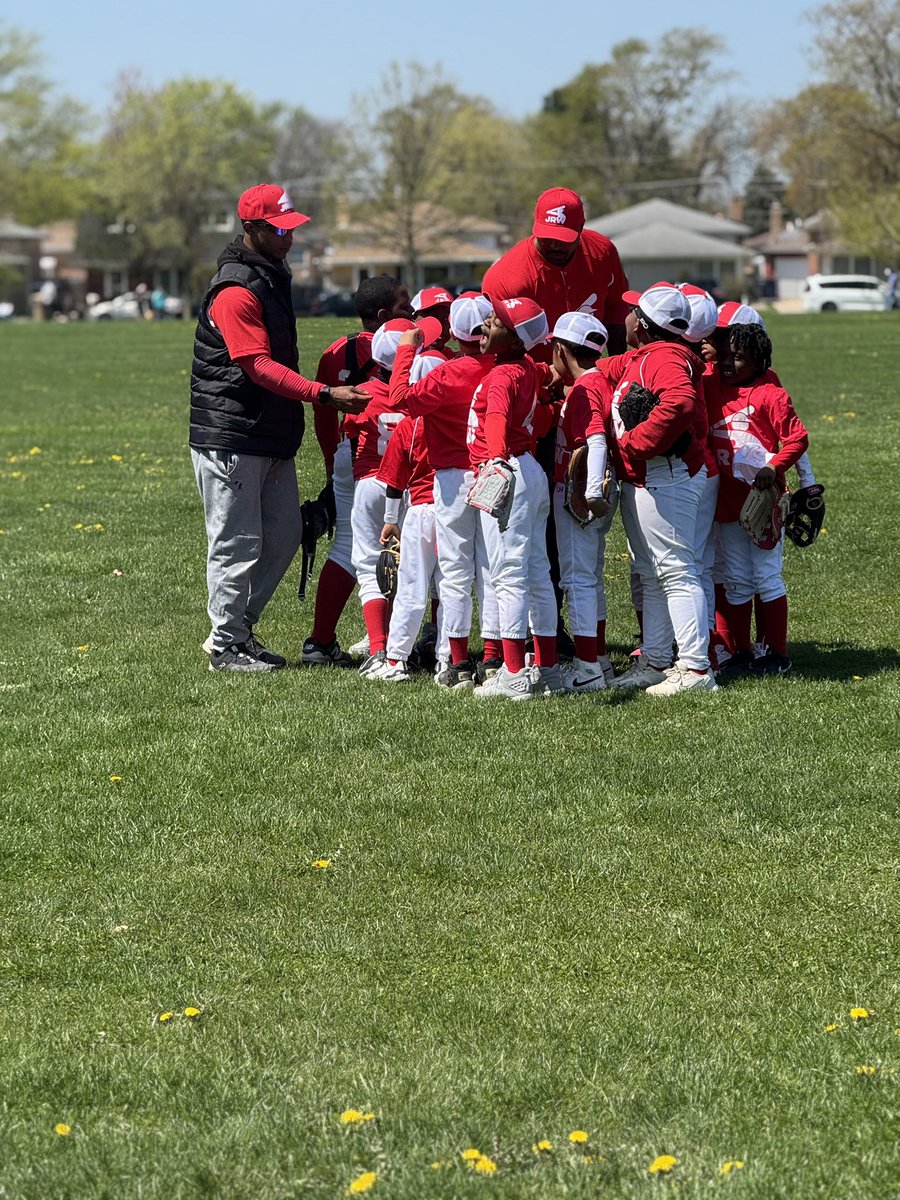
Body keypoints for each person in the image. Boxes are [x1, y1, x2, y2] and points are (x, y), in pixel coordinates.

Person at [190, 183, 367, 671]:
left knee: (286, 533)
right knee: (236, 542)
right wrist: (324, 394)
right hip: (231, 433)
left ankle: (237, 631)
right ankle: (226, 645)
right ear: (251, 229)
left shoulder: (271, 272)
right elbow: (257, 366)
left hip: (268, 430)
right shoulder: (235, 288)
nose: (289, 237)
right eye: (279, 229)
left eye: (291, 227)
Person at [585, 282, 717, 696]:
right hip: (652, 478)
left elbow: (679, 402)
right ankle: (657, 659)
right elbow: (607, 369)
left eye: (631, 311)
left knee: (677, 572)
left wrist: (635, 443)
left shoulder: (664, 358)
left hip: (667, 474)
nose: (623, 315)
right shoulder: (648, 354)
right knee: (653, 572)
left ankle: (695, 669)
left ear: (641, 324)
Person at [301, 275, 413, 667]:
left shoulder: (338, 351)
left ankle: (327, 639)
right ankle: (402, 641)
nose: (412, 312)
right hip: (393, 456)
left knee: (352, 545)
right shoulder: (410, 345)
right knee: (407, 547)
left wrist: (334, 461)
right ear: (384, 316)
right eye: (404, 307)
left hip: (354, 452)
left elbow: (322, 409)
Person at [470, 297, 560, 701]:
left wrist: (495, 458)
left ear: (516, 337)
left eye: (497, 321)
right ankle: (548, 668)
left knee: (507, 575)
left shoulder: (503, 374)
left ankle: (513, 673)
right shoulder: (523, 365)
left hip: (509, 467)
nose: (486, 324)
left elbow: (496, 418)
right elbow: (546, 370)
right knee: (538, 572)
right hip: (530, 471)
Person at [707, 321, 809, 675]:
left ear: (759, 360)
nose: (727, 364)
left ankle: (778, 653)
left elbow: (797, 439)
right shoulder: (712, 385)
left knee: (766, 575)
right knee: (735, 576)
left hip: (761, 501)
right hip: (727, 501)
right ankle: (742, 650)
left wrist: (776, 465)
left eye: (737, 358)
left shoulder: (771, 392)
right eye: (724, 356)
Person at [548, 311, 616, 692]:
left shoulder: (585, 389)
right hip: (594, 490)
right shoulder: (598, 380)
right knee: (590, 577)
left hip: (580, 492)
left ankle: (587, 665)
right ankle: (600, 659)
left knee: (578, 580)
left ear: (561, 349)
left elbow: (596, 439)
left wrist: (589, 493)